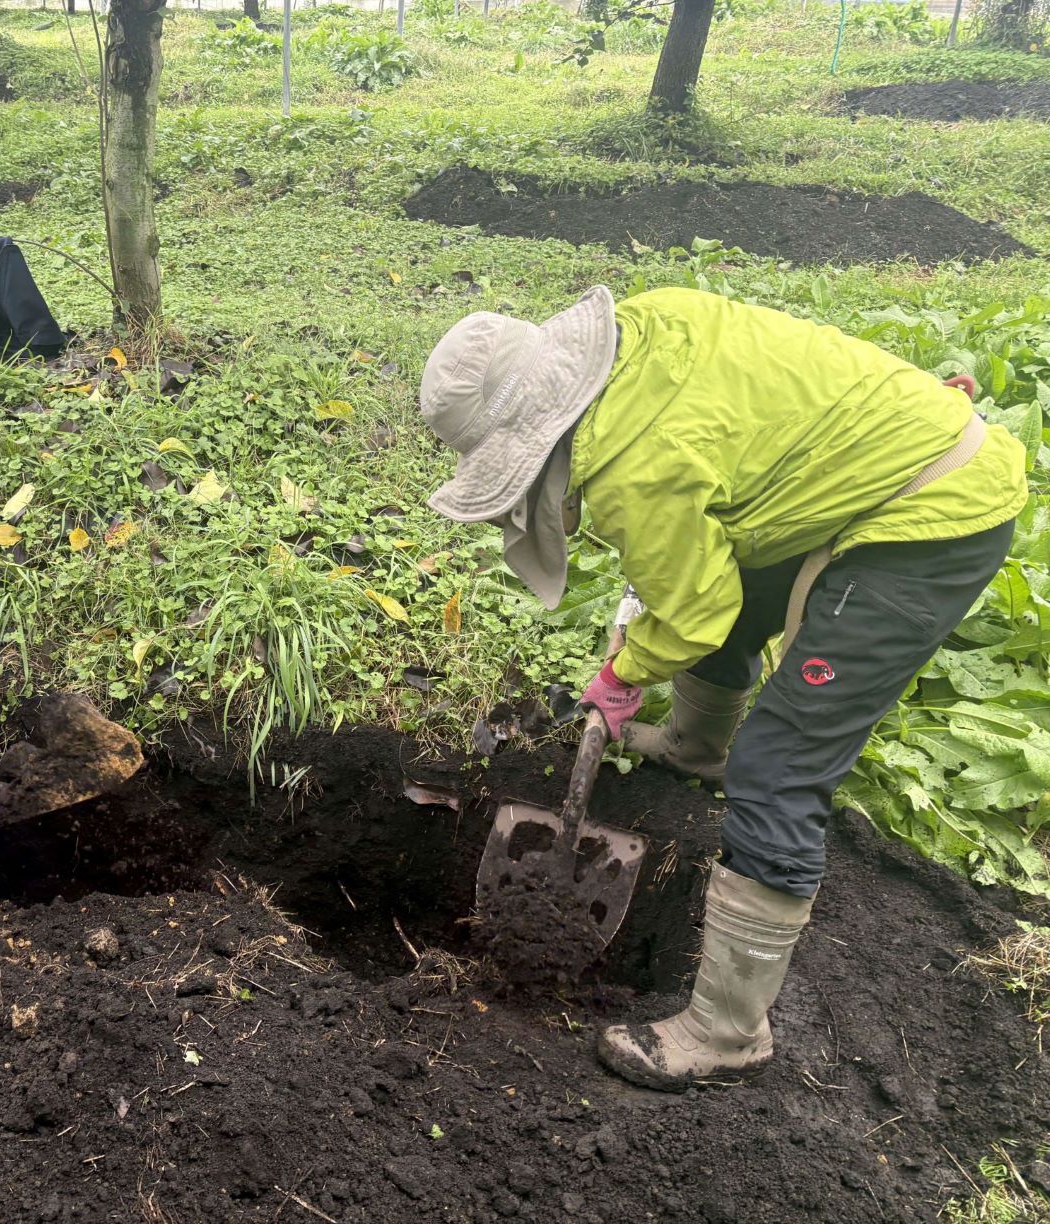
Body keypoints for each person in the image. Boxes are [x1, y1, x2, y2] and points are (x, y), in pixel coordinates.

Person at [418, 286, 1025, 1091]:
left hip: (926, 515)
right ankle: (698, 746)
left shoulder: (639, 469)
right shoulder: (645, 322)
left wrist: (622, 676)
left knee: (778, 766)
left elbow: (694, 616)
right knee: (725, 585)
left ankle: (728, 1031)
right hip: (866, 461)